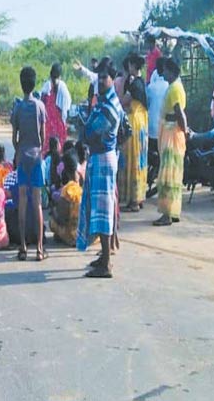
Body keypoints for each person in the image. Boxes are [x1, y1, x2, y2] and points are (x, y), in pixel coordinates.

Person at [77, 60, 123, 278]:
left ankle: (106, 263)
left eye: (104, 77)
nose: (100, 81)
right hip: (101, 157)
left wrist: (83, 126)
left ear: (112, 79)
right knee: (99, 208)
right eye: (99, 77)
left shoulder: (109, 107)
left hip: (104, 158)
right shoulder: (105, 102)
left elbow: (89, 133)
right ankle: (104, 256)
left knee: (103, 211)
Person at [10, 66, 47, 261]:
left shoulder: (17, 107)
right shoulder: (40, 107)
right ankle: (40, 249)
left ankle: (23, 246)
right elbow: (43, 136)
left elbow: (14, 137)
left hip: (22, 156)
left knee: (22, 202)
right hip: (37, 155)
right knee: (38, 203)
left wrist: (18, 149)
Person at [153, 58, 188, 226]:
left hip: (172, 134)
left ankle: (167, 214)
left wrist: (185, 130)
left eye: (166, 70)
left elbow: (179, 114)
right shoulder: (174, 87)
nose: (163, 73)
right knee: (173, 174)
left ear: (172, 71)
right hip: (171, 132)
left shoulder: (174, 88)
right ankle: (173, 211)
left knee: (168, 175)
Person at [119, 54, 148, 212]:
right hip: (142, 121)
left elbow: (124, 101)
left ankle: (133, 201)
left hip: (134, 123)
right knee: (140, 159)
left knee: (132, 159)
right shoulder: (141, 82)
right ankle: (139, 196)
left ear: (132, 65)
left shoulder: (134, 84)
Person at [49, 150, 82, 246]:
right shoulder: (83, 188)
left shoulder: (67, 190)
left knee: (52, 222)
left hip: (73, 237)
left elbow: (62, 219)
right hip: (87, 235)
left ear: (66, 172)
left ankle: (62, 236)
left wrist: (54, 212)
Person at [41, 63, 72, 147]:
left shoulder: (46, 86)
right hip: (59, 125)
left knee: (47, 147)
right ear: (60, 75)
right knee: (59, 149)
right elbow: (66, 108)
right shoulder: (63, 88)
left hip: (48, 124)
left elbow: (41, 104)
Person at [147, 58, 169, 160]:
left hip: (151, 129)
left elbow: (147, 105)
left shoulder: (150, 87)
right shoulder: (170, 86)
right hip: (165, 129)